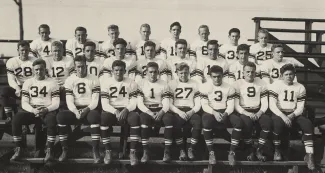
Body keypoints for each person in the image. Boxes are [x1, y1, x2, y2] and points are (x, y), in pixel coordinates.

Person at [10, 59, 60, 163]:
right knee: (16, 119)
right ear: (33, 70)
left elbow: (56, 103)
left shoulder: (52, 82)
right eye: (36, 70)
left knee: (51, 121)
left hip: (47, 109)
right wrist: (33, 110)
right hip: (31, 109)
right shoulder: (28, 82)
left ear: (45, 70)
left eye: (41, 69)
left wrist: (46, 109)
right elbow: (24, 102)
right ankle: (19, 149)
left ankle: (49, 150)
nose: (38, 72)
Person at [269, 64, 315, 170]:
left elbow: (300, 107)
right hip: (279, 113)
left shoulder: (300, 87)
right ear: (281, 75)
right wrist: (283, 117)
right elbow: (272, 105)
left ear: (294, 75)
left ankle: (309, 154)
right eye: (286, 74)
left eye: (291, 74)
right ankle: (277, 150)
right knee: (277, 125)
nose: (289, 76)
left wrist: (291, 115)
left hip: (294, 114)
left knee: (307, 124)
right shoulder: (276, 85)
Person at [56, 55, 101, 163]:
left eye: (82, 66)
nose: (80, 69)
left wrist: (86, 110)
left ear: (86, 65)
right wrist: (76, 111)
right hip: (74, 109)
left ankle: (95, 150)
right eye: (78, 67)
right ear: (75, 67)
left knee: (95, 117)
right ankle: (65, 149)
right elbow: (69, 101)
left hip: (90, 108)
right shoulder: (70, 80)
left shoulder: (94, 79)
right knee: (61, 117)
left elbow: (95, 101)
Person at [100, 60, 140, 165]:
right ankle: (108, 150)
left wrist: (126, 110)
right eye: (116, 70)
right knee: (103, 118)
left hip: (127, 108)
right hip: (111, 109)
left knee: (135, 118)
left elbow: (133, 102)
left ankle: (132, 151)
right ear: (112, 71)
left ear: (125, 71)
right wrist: (115, 111)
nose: (119, 72)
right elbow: (104, 104)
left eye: (121, 70)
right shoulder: (106, 82)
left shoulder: (131, 82)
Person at [200, 65, 242, 166]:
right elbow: (204, 105)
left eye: (219, 76)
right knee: (206, 122)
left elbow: (231, 105)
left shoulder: (229, 87)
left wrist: (226, 114)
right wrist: (214, 112)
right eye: (214, 77)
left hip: (226, 111)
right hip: (211, 111)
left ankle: (232, 152)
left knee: (238, 122)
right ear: (210, 76)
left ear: (222, 75)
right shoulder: (205, 86)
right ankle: (211, 152)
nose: (217, 79)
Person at [137, 62, 175, 163]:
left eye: (155, 72)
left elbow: (166, 103)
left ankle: (167, 151)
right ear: (146, 72)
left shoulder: (163, 84)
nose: (153, 74)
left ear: (158, 72)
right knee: (143, 120)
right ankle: (145, 150)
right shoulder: (141, 83)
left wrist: (161, 112)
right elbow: (140, 103)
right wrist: (150, 113)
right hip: (147, 109)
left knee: (169, 120)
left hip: (160, 108)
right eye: (150, 72)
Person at [234, 62, 271, 162]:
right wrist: (247, 113)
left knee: (267, 123)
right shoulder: (238, 83)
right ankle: (250, 149)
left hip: (258, 110)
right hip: (244, 110)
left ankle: (259, 149)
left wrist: (259, 113)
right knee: (246, 124)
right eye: (248, 72)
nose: (250, 74)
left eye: (252, 72)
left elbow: (265, 103)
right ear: (243, 72)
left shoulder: (261, 83)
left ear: (256, 73)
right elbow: (236, 105)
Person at [169, 63, 201, 161]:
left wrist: (191, 112)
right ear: (177, 73)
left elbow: (198, 103)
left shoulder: (195, 83)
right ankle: (181, 150)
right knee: (175, 123)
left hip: (190, 110)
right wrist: (179, 112)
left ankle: (191, 148)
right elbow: (169, 104)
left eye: (186, 73)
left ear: (189, 72)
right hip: (177, 110)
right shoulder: (172, 84)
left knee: (198, 123)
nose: (183, 75)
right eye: (181, 73)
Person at [2, 41, 37, 122]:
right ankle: (9, 116)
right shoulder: (11, 61)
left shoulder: (35, 61)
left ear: (29, 50)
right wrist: (17, 88)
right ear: (18, 50)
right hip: (19, 87)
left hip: (32, 88)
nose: (24, 52)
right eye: (22, 50)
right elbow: (11, 79)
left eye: (26, 50)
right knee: (4, 91)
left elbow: (37, 78)